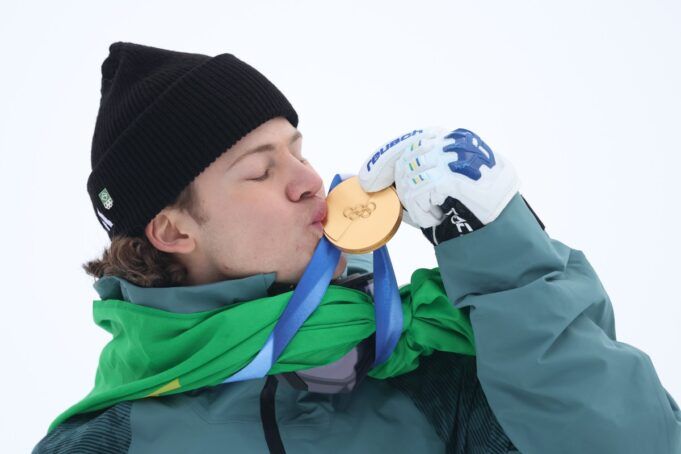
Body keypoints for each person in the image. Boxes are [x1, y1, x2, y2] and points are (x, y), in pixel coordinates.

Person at [32, 41, 680, 454]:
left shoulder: (436, 374)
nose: (309, 181)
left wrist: (502, 257)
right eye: (260, 170)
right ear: (174, 231)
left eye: (298, 150)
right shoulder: (104, 443)